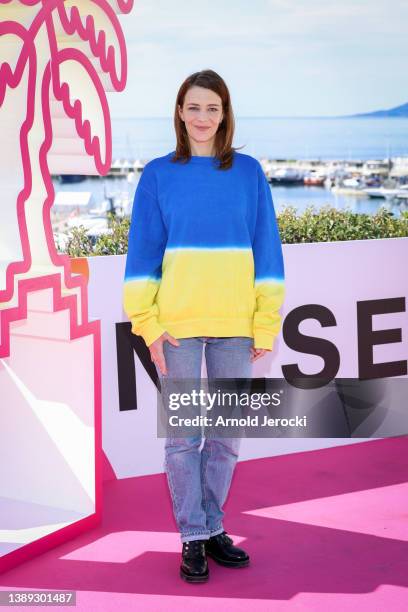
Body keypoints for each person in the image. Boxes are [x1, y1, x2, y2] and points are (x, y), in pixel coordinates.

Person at [123, 69, 285, 583]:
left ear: (225, 114)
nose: (202, 117)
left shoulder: (249, 172)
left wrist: (265, 323)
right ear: (179, 112)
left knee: (227, 436)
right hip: (178, 327)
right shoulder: (157, 174)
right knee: (182, 438)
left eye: (212, 108)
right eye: (193, 107)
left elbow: (268, 252)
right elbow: (142, 257)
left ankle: (214, 526)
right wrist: (148, 326)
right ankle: (192, 536)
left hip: (236, 326)